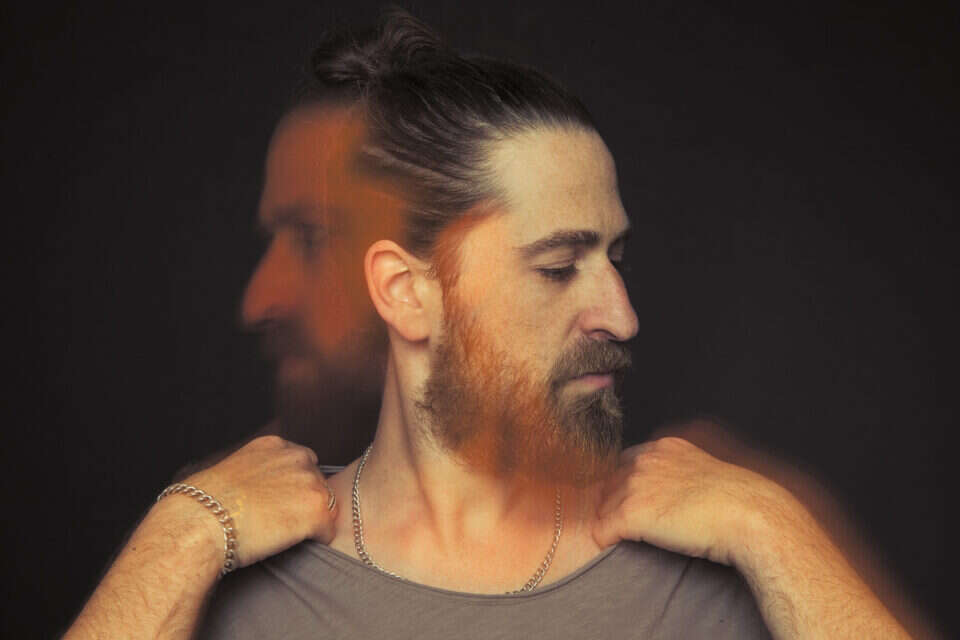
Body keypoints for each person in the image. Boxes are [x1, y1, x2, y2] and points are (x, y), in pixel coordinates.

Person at [66, 11, 915, 640]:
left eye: (615, 257)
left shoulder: (714, 572)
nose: (623, 315)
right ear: (406, 293)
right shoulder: (225, 577)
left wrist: (774, 527)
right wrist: (182, 534)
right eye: (558, 266)